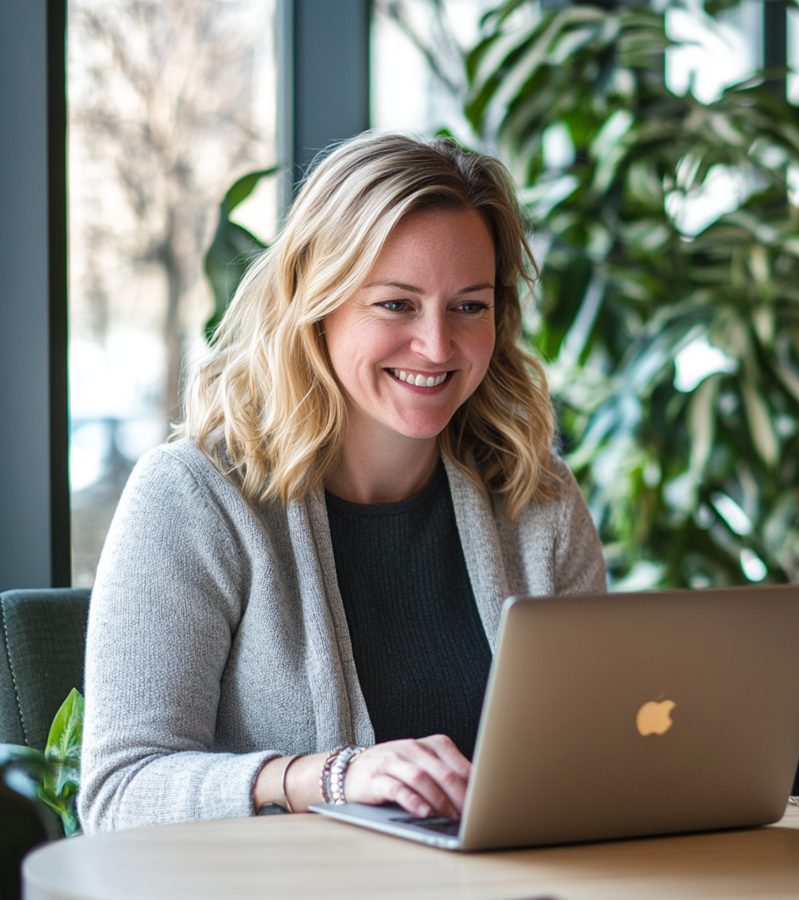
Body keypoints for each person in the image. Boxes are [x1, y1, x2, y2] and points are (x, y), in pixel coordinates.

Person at [79, 132, 607, 833]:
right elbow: (119, 796)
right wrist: (329, 776)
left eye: (469, 306)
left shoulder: (535, 500)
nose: (437, 346)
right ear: (316, 303)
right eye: (396, 304)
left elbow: (595, 756)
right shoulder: (192, 497)